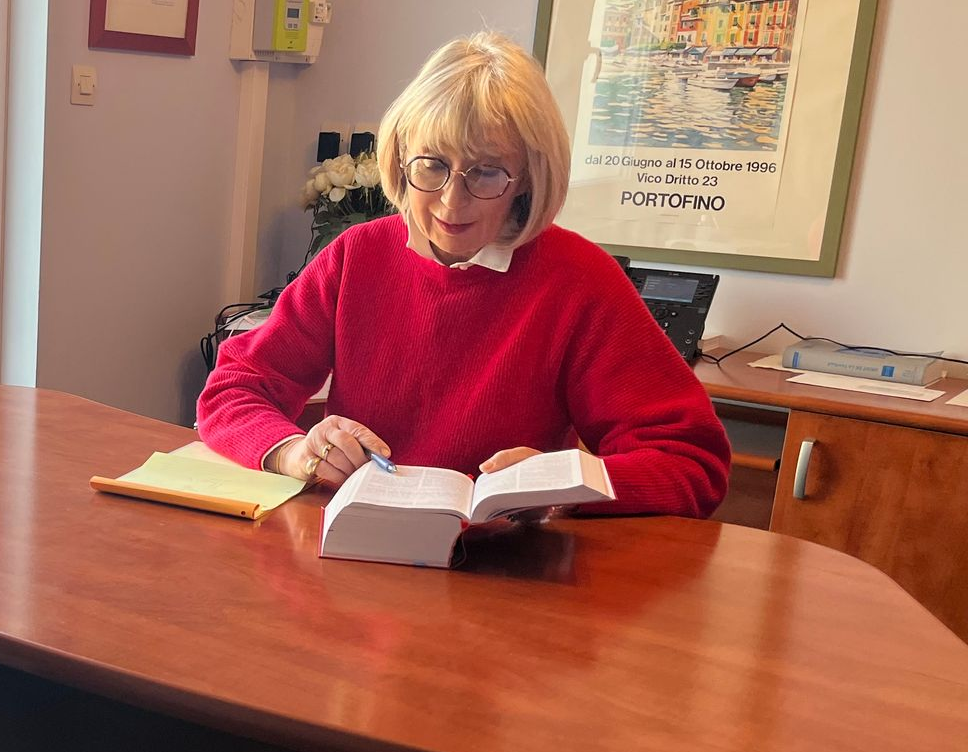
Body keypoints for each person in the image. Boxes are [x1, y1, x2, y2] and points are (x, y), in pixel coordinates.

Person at [197, 32, 730, 518]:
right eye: (431, 164)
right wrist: (295, 452)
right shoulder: (357, 255)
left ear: (527, 178)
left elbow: (691, 463)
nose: (452, 201)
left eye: (487, 172)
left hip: (509, 577)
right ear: (402, 157)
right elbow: (234, 389)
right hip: (354, 553)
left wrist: (563, 484)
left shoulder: (579, 279)